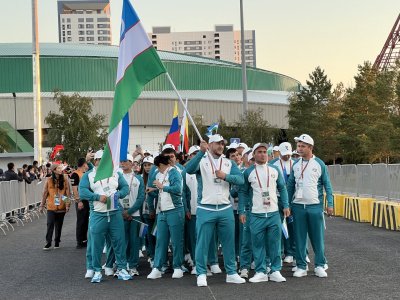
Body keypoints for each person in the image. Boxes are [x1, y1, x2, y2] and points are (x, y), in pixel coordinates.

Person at [185, 134, 245, 287]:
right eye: (217, 144)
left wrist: (225, 176)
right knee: (202, 243)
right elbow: (189, 170)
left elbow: (241, 180)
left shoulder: (229, 163)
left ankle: (231, 272)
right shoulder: (202, 161)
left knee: (228, 243)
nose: (220, 146)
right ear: (210, 145)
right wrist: (200, 152)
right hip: (206, 208)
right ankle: (201, 273)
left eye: (222, 144)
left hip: (225, 208)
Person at [239, 143, 290, 283]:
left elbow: (282, 188)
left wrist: (286, 205)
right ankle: (260, 271)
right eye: (259, 152)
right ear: (254, 155)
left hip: (273, 213)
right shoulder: (248, 172)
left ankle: (275, 270)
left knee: (274, 243)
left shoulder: (274, 170)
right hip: (256, 214)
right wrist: (242, 210)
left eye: (264, 152)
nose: (262, 154)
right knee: (258, 244)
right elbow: (242, 192)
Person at [79, 150, 132, 283]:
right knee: (96, 244)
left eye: (104, 160)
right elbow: (82, 191)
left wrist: (119, 194)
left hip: (115, 214)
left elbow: (125, 187)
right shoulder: (89, 175)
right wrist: (96, 197)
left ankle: (121, 268)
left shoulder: (116, 173)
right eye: (98, 160)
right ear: (95, 161)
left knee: (119, 242)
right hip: (98, 214)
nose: (101, 162)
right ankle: (96, 271)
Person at [287, 134, 333, 278]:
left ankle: (320, 265)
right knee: (299, 237)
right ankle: (301, 266)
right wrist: (287, 205)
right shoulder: (295, 164)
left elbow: (328, 186)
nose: (299, 149)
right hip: (298, 206)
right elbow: (290, 186)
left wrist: (329, 204)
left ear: (310, 147)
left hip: (315, 206)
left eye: (302, 146)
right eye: (298, 146)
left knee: (317, 237)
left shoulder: (319, 164)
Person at [147, 154, 185, 280]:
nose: (156, 170)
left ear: (161, 165)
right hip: (162, 212)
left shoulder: (175, 173)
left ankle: (178, 267)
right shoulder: (160, 175)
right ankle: (157, 268)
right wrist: (154, 189)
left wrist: (162, 187)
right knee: (160, 240)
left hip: (175, 210)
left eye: (157, 167)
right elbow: (163, 191)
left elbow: (178, 189)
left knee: (176, 240)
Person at [270, 142, 296, 264]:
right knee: (278, 227)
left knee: (292, 226)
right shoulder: (272, 165)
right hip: (277, 199)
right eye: (284, 154)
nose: (287, 156)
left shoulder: (295, 164)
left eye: (289, 154)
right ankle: (279, 253)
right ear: (279, 153)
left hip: (292, 198)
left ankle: (291, 252)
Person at [120, 154, 145, 276]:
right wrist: (122, 211)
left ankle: (133, 265)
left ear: (131, 163)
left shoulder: (138, 178)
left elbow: (141, 198)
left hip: (134, 214)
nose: (122, 163)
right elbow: (113, 195)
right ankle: (122, 265)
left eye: (125, 161)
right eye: (121, 161)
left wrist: (129, 212)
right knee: (122, 241)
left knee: (135, 241)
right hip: (120, 214)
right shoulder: (117, 177)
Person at [39, 164, 71, 250]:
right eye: (59, 168)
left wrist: (67, 205)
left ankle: (57, 241)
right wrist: (42, 205)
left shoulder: (65, 179)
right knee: (50, 224)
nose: (61, 169)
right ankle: (48, 242)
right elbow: (45, 193)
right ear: (54, 170)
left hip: (61, 207)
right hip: (51, 206)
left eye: (61, 168)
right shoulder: (49, 180)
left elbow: (67, 193)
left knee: (59, 225)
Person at [71, 156, 91, 249]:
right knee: (80, 221)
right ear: (84, 164)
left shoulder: (85, 173)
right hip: (81, 201)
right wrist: (78, 201)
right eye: (86, 164)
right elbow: (74, 189)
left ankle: (84, 239)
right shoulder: (75, 174)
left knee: (86, 220)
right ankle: (79, 241)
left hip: (87, 200)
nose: (87, 165)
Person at [140, 156, 156, 267]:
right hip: (145, 211)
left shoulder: (158, 177)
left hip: (158, 210)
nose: (147, 167)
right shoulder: (141, 178)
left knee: (157, 234)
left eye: (149, 165)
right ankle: (151, 256)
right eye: (145, 165)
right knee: (148, 235)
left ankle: (158, 256)